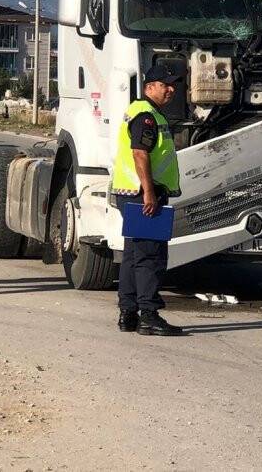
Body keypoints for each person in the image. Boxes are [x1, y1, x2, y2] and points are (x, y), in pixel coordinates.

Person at [111, 63, 184, 337]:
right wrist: (150, 191)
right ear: (149, 87)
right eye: (165, 85)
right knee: (149, 256)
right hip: (143, 195)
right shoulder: (147, 116)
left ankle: (128, 313)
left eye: (172, 85)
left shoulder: (145, 112)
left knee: (132, 255)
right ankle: (149, 316)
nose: (170, 89)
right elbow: (140, 153)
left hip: (132, 193)